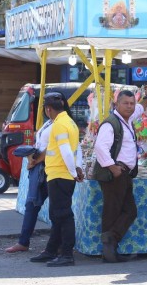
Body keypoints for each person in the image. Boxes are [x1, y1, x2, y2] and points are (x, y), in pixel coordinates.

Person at [5, 93, 76, 253]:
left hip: (51, 170)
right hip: (47, 169)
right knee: (39, 206)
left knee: (56, 211)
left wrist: (35, 160)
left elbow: (55, 148)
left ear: (48, 108)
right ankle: (42, 245)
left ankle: (59, 249)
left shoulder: (59, 124)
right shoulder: (52, 123)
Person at [92, 88, 147, 263]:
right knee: (113, 210)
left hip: (124, 174)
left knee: (129, 211)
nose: (129, 106)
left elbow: (139, 109)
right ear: (116, 104)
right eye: (125, 103)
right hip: (115, 174)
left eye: (131, 103)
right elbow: (100, 147)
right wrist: (113, 168)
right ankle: (109, 249)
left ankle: (111, 243)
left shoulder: (127, 119)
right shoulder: (111, 123)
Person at [30, 92, 83, 267]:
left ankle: (66, 254)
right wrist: (77, 169)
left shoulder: (59, 125)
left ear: (48, 109)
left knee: (63, 215)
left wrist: (73, 171)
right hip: (62, 174)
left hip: (60, 174)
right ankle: (51, 250)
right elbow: (78, 149)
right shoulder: (70, 123)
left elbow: (67, 151)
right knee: (57, 215)